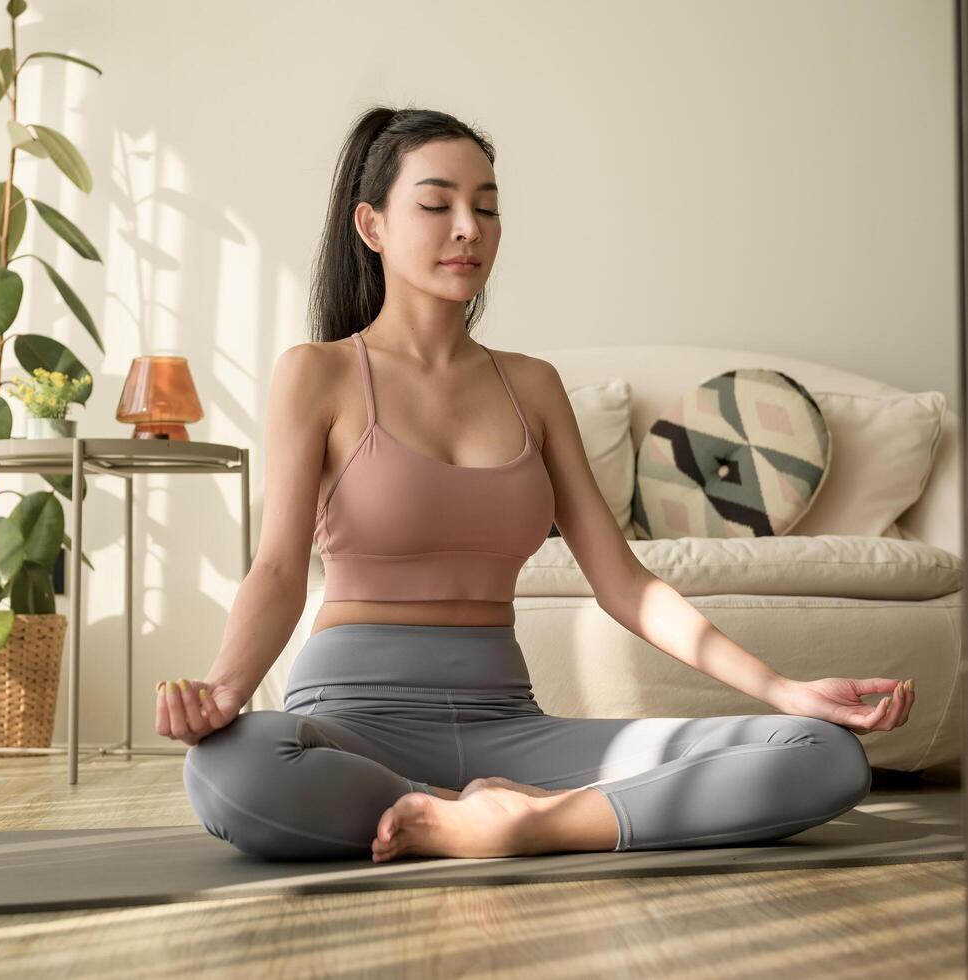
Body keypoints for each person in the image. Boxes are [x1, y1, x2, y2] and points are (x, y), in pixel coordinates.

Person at [155, 105, 915, 863]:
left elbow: (623, 582)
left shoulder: (532, 385)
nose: (468, 227)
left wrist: (781, 690)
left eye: (486, 206)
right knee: (229, 768)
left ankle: (523, 824)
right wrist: (225, 690)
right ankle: (484, 815)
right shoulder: (317, 374)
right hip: (353, 722)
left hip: (510, 727)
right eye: (435, 203)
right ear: (371, 225)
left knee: (818, 752)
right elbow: (281, 567)